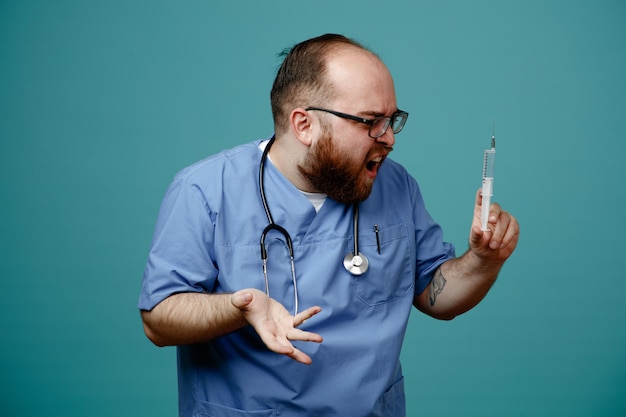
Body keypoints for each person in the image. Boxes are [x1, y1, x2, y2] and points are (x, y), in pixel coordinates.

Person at [138, 33, 519, 417]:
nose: (388, 139)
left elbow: (437, 297)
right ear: (304, 125)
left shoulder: (395, 185)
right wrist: (238, 309)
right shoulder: (204, 190)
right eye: (370, 121)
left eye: (392, 120)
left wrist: (483, 260)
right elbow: (159, 320)